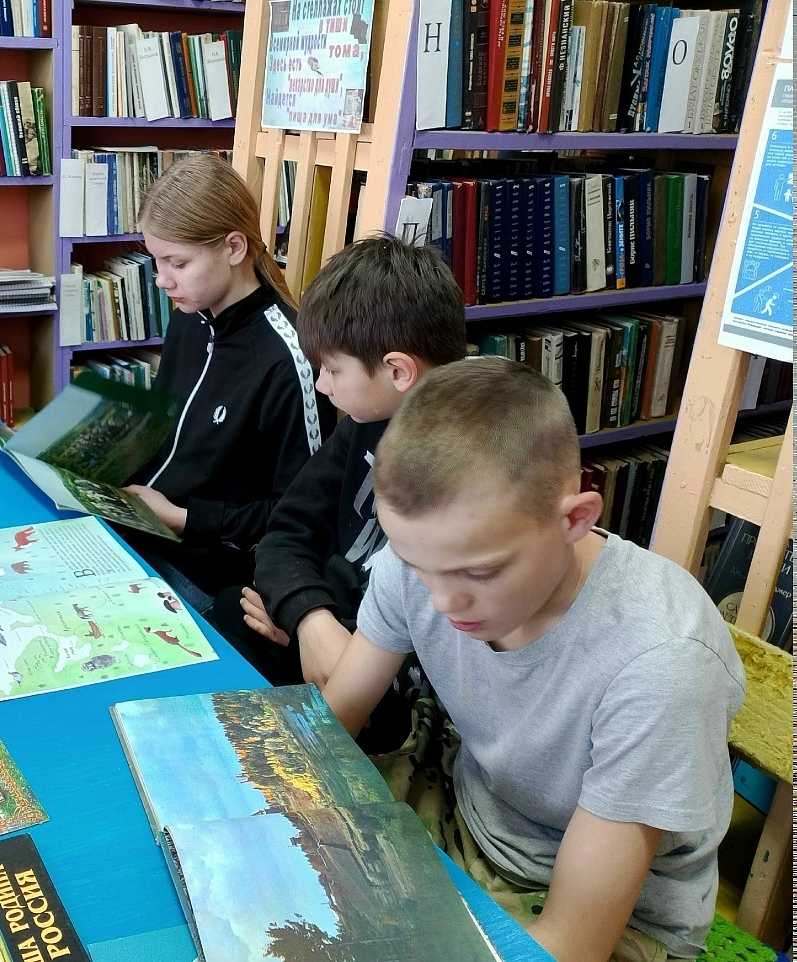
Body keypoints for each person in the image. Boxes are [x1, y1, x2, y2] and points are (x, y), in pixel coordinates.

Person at [322, 358, 745, 962]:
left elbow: (571, 944)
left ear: (575, 519)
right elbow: (329, 730)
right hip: (471, 806)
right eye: (416, 565)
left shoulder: (661, 665)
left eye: (480, 572)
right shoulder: (429, 556)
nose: (443, 601)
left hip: (616, 913)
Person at [212, 235, 467, 709]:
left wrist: (311, 627)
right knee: (226, 616)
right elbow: (285, 531)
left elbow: (437, 643)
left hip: (394, 687)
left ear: (398, 371)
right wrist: (310, 619)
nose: (321, 384)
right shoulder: (364, 424)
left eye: (332, 369)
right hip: (328, 629)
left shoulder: (470, 468)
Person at [121, 155, 336, 605]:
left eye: (177, 263)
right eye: (157, 262)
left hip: (207, 570)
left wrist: (183, 519)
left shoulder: (290, 359)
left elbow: (301, 517)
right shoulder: (190, 315)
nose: (161, 281)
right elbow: (173, 437)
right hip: (143, 529)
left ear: (234, 248)